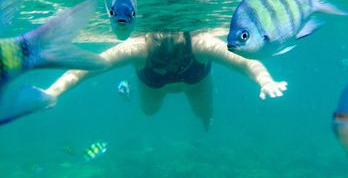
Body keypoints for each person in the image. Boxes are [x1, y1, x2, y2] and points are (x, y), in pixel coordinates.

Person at [43, 31, 287, 130]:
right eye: (162, 65)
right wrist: (52, 92)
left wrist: (265, 81)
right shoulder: (135, 49)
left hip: (196, 81)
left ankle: (205, 121)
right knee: (149, 112)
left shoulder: (202, 44)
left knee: (204, 113)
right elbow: (84, 69)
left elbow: (245, 62)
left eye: (175, 64)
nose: (169, 69)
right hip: (153, 86)